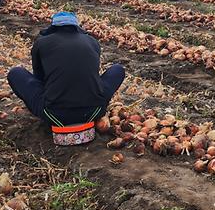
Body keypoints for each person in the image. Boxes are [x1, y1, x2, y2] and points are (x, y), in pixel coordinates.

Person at [7, 12, 126, 145]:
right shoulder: (92, 42)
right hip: (94, 111)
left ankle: (57, 111)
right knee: (118, 69)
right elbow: (93, 75)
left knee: (15, 73)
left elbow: (39, 78)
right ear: (77, 28)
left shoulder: (41, 43)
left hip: (55, 115)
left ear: (53, 28)